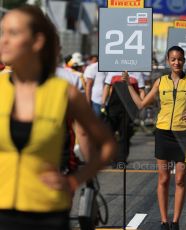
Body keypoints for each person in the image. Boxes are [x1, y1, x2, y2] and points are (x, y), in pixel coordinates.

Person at [0, 5, 116, 230]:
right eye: (2, 32)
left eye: (13, 33)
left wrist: (77, 179)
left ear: (37, 41)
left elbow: (108, 145)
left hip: (48, 213)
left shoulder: (64, 92)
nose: (3, 40)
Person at [124, 46, 186, 230]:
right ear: (168, 61)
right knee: (163, 178)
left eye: (180, 59)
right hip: (163, 133)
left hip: (184, 135)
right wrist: (128, 84)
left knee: (180, 179)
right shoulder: (160, 82)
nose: (176, 62)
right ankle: (164, 221)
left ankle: (175, 222)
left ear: (184, 60)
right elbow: (141, 104)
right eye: (173, 59)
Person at [102, 72, 146, 165]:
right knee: (109, 133)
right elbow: (107, 87)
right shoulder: (112, 71)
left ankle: (121, 159)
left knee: (125, 134)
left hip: (129, 108)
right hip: (113, 106)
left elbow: (141, 91)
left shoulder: (138, 73)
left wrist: (141, 106)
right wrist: (103, 102)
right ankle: (111, 157)